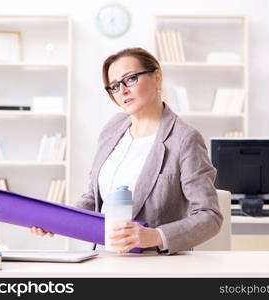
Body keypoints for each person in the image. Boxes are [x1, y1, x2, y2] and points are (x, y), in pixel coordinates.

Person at [31, 47, 223, 255]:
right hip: (102, 257)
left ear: (157, 77)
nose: (122, 91)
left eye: (130, 79)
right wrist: (57, 220)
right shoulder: (113, 128)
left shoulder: (185, 139)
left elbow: (209, 216)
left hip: (154, 264)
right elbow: (94, 198)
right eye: (114, 86)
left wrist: (156, 236)